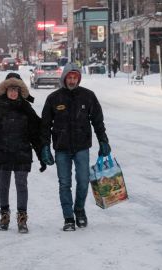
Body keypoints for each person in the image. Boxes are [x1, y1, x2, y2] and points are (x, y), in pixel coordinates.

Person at [40, 63, 111, 232]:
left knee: (83, 181)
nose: (72, 80)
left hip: (81, 147)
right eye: (69, 77)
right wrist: (45, 146)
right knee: (64, 184)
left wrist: (103, 141)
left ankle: (79, 209)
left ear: (78, 78)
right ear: (64, 78)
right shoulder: (53, 98)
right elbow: (45, 125)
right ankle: (68, 218)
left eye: (75, 77)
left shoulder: (88, 96)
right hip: (61, 148)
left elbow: (98, 121)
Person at [0, 72, 45, 234]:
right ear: (5, 90)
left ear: (20, 91)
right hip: (1, 151)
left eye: (16, 89)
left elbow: (35, 135)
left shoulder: (27, 109)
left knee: (21, 184)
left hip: (22, 152)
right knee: (3, 184)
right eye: (10, 89)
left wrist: (41, 156)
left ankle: (22, 218)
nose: (13, 93)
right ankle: (4, 215)